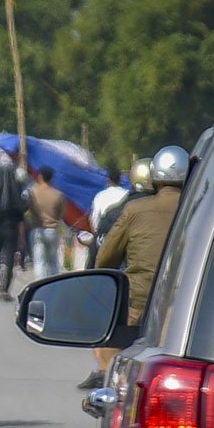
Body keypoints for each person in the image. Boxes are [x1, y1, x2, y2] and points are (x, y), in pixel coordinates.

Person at [78, 157, 154, 389]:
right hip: (175, 297)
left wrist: (92, 277)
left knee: (106, 329)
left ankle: (105, 374)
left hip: (130, 294)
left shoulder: (120, 212)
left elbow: (103, 254)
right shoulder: (186, 207)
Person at [96, 146, 186, 334]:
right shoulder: (202, 208)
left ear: (154, 179)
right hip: (186, 309)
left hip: (139, 306)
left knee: (109, 358)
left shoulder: (134, 210)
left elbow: (105, 260)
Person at [0, 156, 27, 301]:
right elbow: (21, 214)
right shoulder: (17, 190)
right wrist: (22, 236)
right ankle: (5, 287)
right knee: (8, 257)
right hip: (11, 229)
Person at [27, 165, 66, 277]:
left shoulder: (33, 193)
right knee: (53, 261)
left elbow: (29, 210)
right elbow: (61, 214)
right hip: (53, 230)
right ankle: (53, 284)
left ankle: (40, 285)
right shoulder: (58, 194)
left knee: (40, 262)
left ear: (40, 177)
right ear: (52, 178)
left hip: (37, 230)